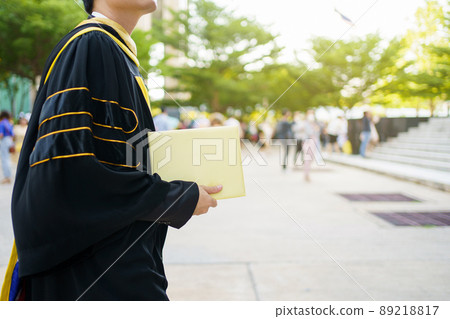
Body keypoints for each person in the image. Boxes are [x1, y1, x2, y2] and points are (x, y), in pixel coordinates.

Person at [10, 0, 222, 301]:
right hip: (92, 263)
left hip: (116, 249)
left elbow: (111, 155)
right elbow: (67, 167)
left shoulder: (114, 51)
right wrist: (177, 197)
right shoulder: (89, 43)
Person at [0, 111, 14, 184]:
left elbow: (1, 135)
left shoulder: (2, 123)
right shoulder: (9, 123)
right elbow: (12, 134)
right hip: (9, 140)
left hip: (4, 140)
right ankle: (9, 176)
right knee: (8, 158)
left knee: (4, 159)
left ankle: (7, 177)